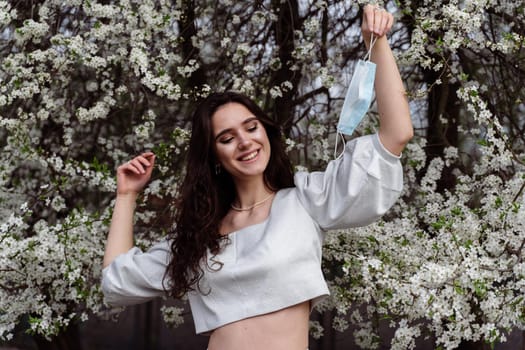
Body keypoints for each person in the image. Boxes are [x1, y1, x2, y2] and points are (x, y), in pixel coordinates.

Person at [101, 4, 413, 350]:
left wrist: (377, 42)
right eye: (226, 137)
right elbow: (116, 281)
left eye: (251, 128)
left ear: (266, 133)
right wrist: (126, 196)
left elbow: (396, 134)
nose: (245, 141)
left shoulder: (305, 201)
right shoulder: (197, 239)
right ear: (214, 156)